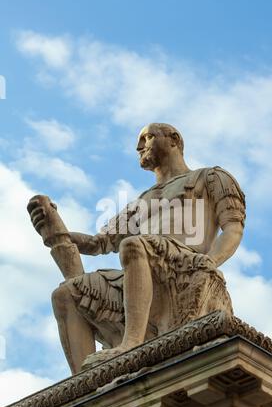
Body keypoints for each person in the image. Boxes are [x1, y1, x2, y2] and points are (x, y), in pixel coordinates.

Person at [28, 123, 245, 374]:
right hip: (140, 268)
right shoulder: (141, 201)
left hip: (183, 264)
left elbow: (233, 227)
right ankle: (83, 383)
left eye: (148, 137)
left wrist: (212, 260)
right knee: (65, 294)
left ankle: (131, 344)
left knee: (133, 244)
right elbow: (98, 243)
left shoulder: (210, 177)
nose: (139, 146)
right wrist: (54, 229)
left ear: (173, 140)